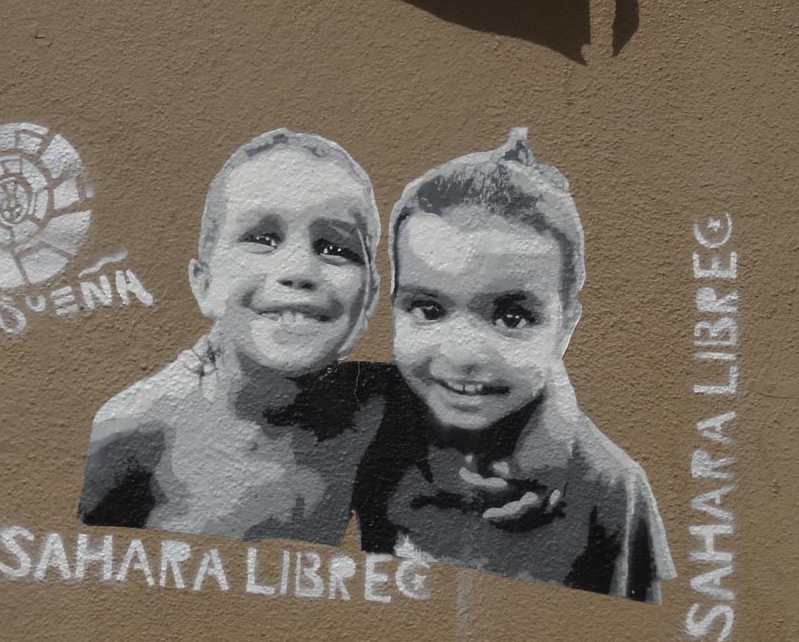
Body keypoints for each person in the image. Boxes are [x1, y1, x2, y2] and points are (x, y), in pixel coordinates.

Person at [354, 128, 676, 602]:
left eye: (511, 316)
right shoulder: (367, 418)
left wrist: (552, 453)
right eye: (428, 309)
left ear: (566, 327)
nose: (462, 354)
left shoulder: (609, 486)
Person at [77, 128, 391, 546]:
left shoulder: (385, 410)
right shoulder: (135, 429)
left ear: (369, 299)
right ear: (204, 284)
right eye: (261, 239)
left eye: (335, 248)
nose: (298, 270)